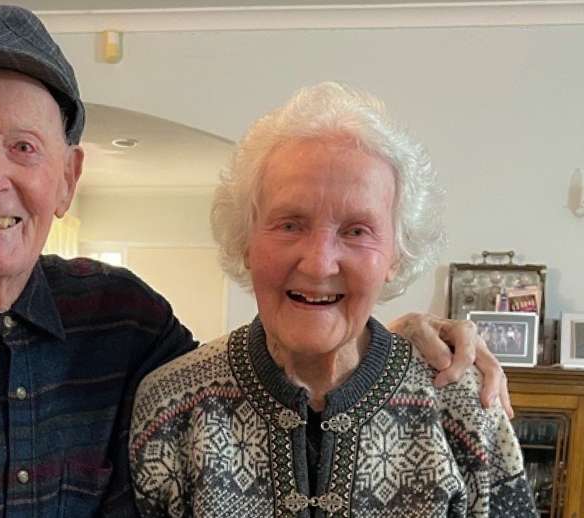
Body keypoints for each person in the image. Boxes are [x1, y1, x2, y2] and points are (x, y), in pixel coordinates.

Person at [0, 7, 510, 517]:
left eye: (23, 147)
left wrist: (397, 340)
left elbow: (284, 357)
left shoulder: (123, 323)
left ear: (67, 178)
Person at [129, 82, 534, 517]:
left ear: (397, 255)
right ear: (246, 241)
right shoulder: (172, 407)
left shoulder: (466, 405)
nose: (319, 264)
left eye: (356, 230)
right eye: (290, 224)